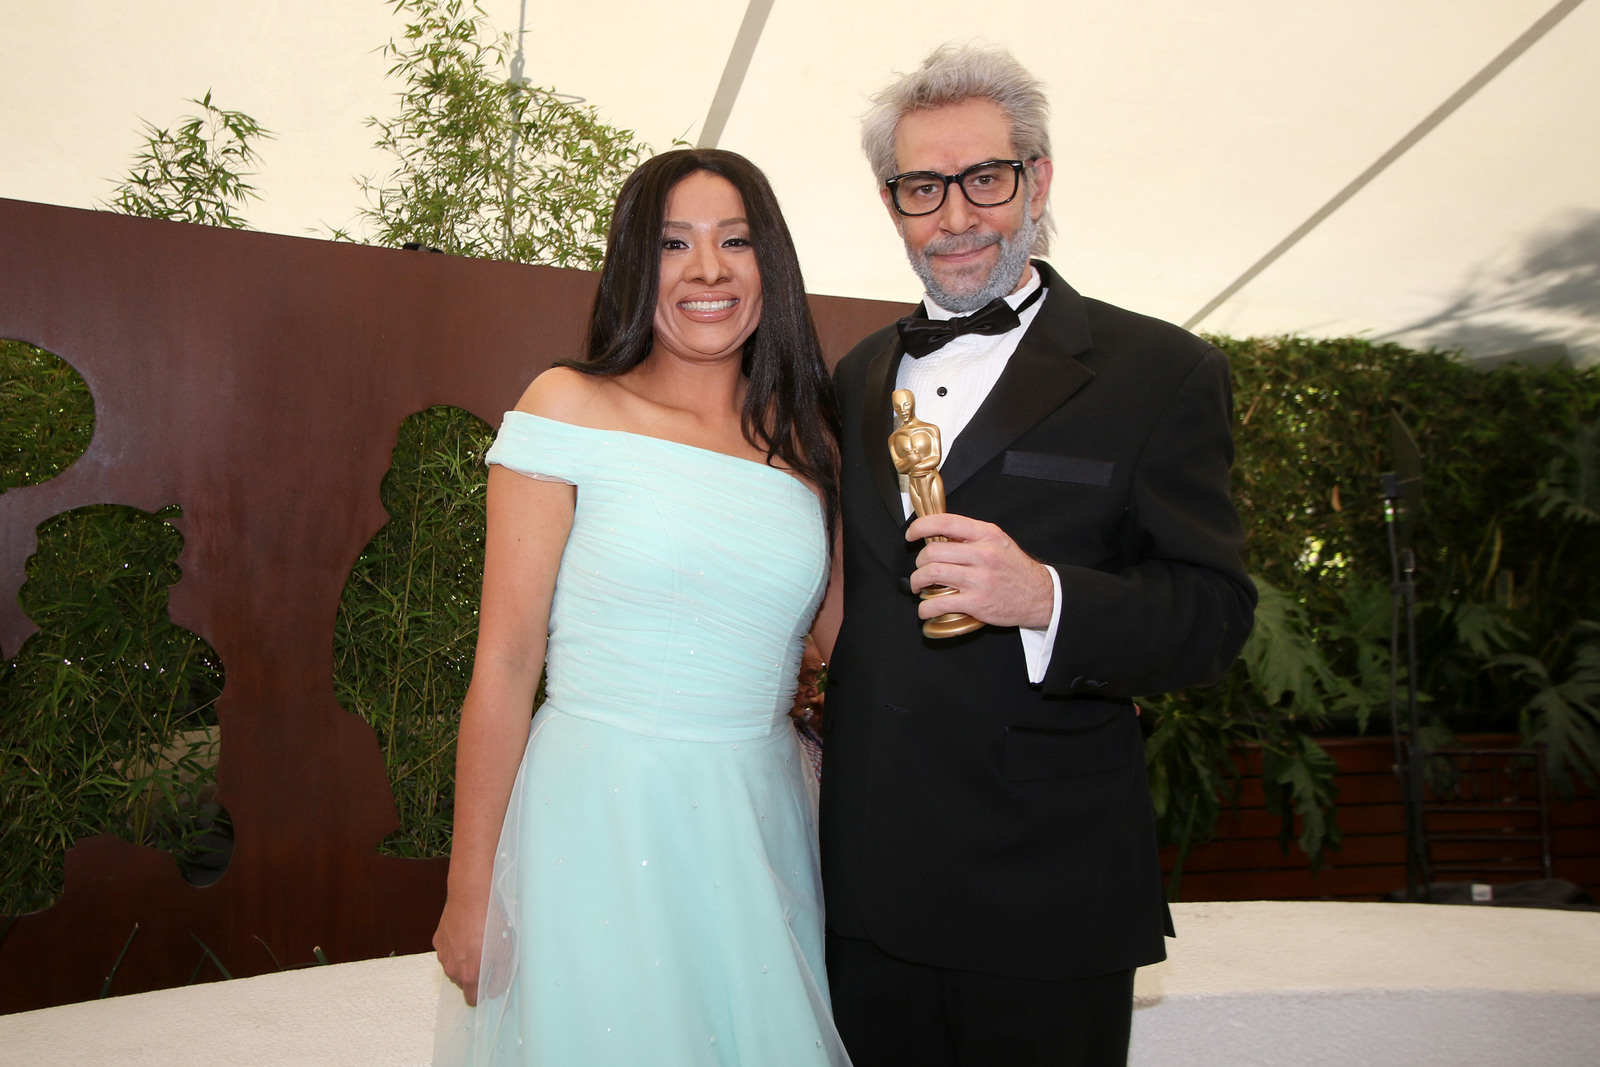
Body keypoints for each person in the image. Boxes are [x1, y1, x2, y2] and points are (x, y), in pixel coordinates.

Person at [818, 45, 1257, 1065]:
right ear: (891, 203)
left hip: (1046, 891)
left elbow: (1213, 615)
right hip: (869, 886)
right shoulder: (855, 374)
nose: (955, 216)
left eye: (985, 178)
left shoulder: (1161, 371)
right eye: (923, 187)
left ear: (1038, 179)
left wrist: (1046, 597)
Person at [431, 148, 850, 1065]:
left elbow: (858, 655)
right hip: (597, 819)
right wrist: (471, 889)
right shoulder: (566, 407)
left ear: (770, 265)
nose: (707, 270)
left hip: (758, 824)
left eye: (735, 241)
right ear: (634, 264)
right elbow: (505, 663)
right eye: (672, 244)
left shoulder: (810, 441)